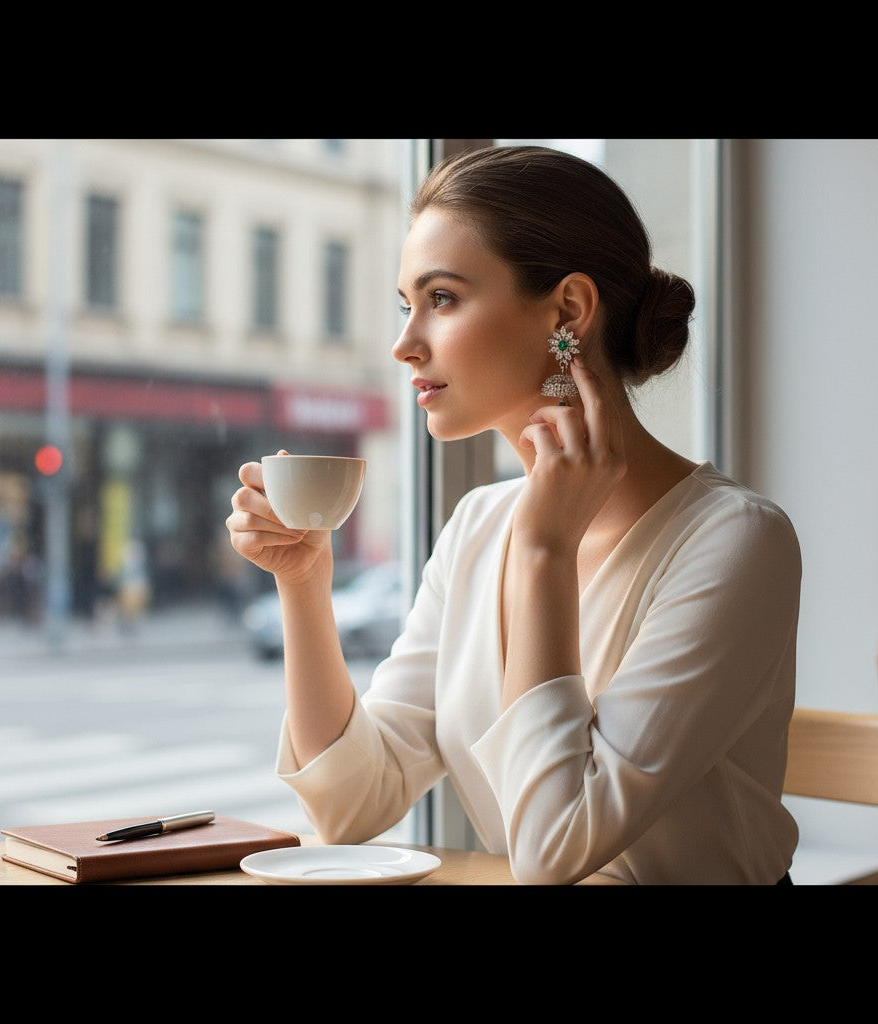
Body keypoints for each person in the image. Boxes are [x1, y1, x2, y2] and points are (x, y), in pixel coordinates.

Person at [226, 145, 802, 885]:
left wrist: (543, 552)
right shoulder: (479, 523)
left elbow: (553, 851)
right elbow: (350, 804)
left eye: (442, 299)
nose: (405, 345)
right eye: (407, 305)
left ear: (568, 312)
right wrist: (304, 583)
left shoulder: (735, 542)